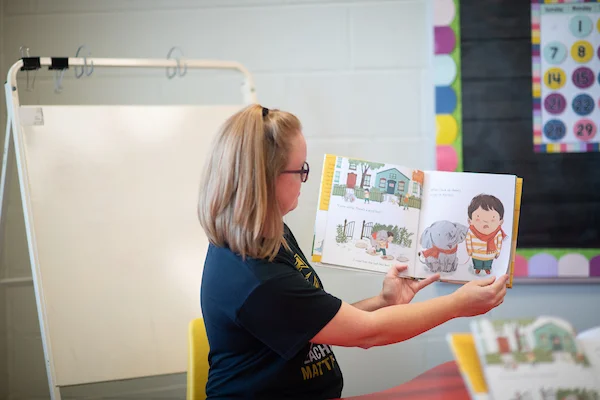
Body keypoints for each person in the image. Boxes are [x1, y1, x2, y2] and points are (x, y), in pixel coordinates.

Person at [197, 104, 509, 399]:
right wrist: (458, 304)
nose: (305, 179)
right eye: (300, 169)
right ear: (266, 180)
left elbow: (317, 318)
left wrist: (384, 301)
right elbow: (367, 334)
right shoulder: (256, 277)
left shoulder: (267, 235)